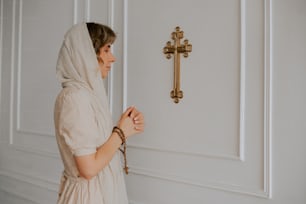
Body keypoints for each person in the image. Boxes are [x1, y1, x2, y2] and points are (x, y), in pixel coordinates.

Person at [54, 22, 144, 204]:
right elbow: (88, 168)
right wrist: (120, 132)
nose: (112, 58)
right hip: (88, 197)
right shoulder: (75, 97)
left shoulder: (87, 95)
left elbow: (97, 148)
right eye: (107, 50)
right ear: (87, 54)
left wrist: (126, 128)